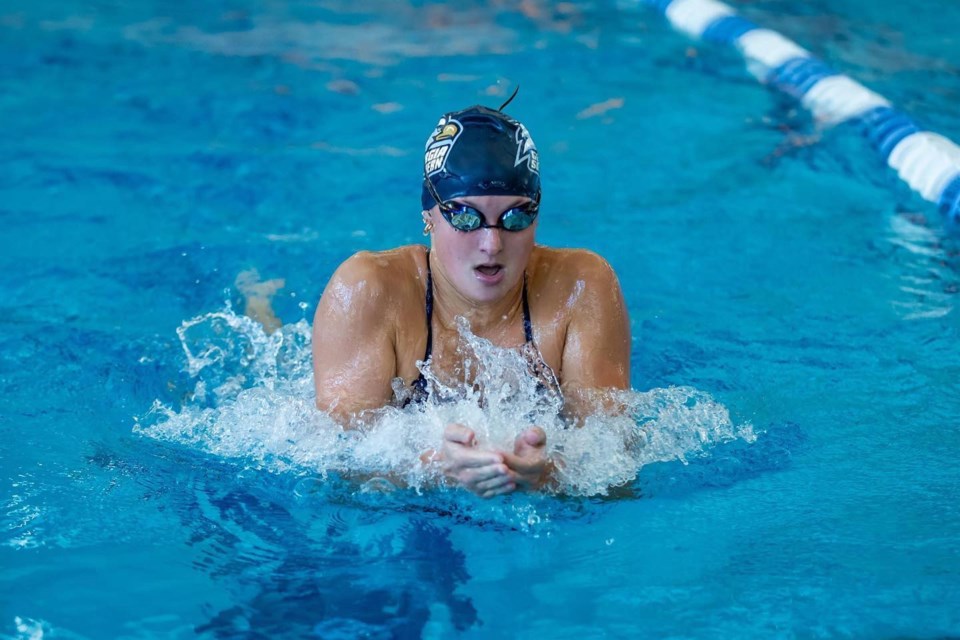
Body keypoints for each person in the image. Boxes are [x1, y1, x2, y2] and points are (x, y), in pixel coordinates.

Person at [311, 100, 630, 498]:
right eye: (465, 216)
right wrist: (432, 467)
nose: (491, 243)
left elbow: (616, 456)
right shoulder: (369, 290)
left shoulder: (581, 288)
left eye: (516, 217)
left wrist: (547, 475)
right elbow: (337, 461)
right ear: (429, 214)